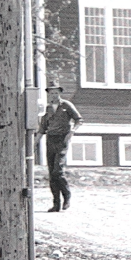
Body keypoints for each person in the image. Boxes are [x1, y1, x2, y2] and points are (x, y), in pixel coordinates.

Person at [34, 80, 83, 212]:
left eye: (56, 92)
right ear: (48, 94)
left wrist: (72, 131)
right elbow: (42, 128)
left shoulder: (66, 105)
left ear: (60, 93)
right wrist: (34, 144)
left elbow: (79, 119)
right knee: (51, 174)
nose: (54, 95)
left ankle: (67, 196)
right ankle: (56, 204)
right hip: (50, 140)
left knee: (58, 171)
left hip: (62, 139)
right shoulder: (47, 109)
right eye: (51, 93)